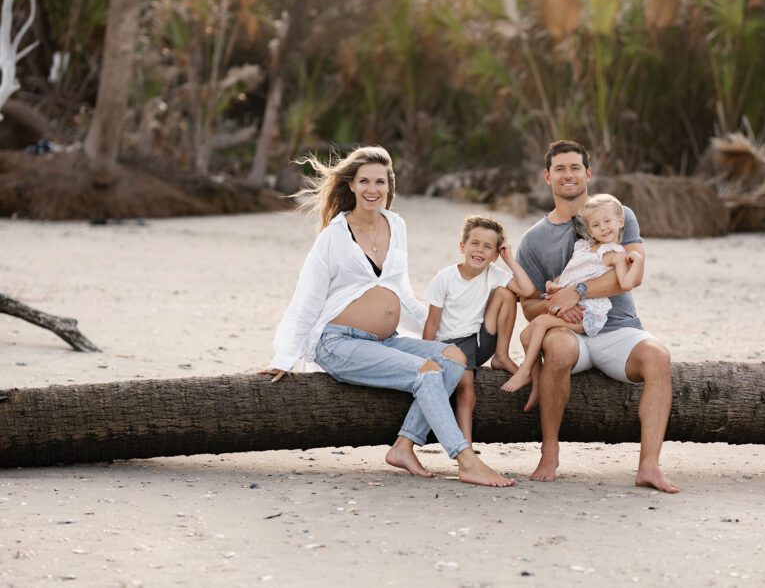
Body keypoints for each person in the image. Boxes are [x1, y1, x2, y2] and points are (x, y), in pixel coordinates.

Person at [260, 145, 515, 487]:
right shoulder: (333, 237)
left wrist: (445, 326)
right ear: (350, 185)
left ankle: (403, 446)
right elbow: (307, 299)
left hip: (386, 340)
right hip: (339, 343)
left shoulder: (396, 225)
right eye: (364, 181)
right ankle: (465, 459)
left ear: (389, 186)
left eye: (380, 182)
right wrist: (284, 356)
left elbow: (401, 293)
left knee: (452, 359)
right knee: (427, 374)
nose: (372, 189)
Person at [516, 140, 679, 493]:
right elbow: (528, 305)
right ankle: (549, 452)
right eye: (559, 169)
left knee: (658, 357)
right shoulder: (533, 240)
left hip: (617, 328)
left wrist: (579, 290)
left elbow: (627, 277)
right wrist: (556, 303)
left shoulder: (616, 215)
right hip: (569, 332)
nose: (568, 175)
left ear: (588, 173)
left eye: (575, 167)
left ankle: (649, 466)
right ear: (547, 176)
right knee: (556, 349)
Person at [501, 194, 643, 394]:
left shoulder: (617, 256)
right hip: (572, 306)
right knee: (526, 335)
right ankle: (537, 384)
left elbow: (627, 283)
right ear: (589, 229)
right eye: (596, 224)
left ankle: (524, 371)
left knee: (540, 324)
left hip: (590, 315)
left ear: (620, 222)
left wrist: (637, 261)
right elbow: (569, 274)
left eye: (608, 221)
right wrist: (553, 286)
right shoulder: (583, 247)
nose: (603, 227)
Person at [422, 216, 537, 445]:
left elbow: (527, 289)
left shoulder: (493, 273)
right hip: (449, 346)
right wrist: (426, 356)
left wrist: (509, 259)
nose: (480, 250)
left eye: (488, 247)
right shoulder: (445, 277)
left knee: (506, 294)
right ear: (462, 246)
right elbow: (432, 323)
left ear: (495, 255)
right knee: (467, 392)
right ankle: (465, 446)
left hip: (478, 341)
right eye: (475, 243)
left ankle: (502, 356)